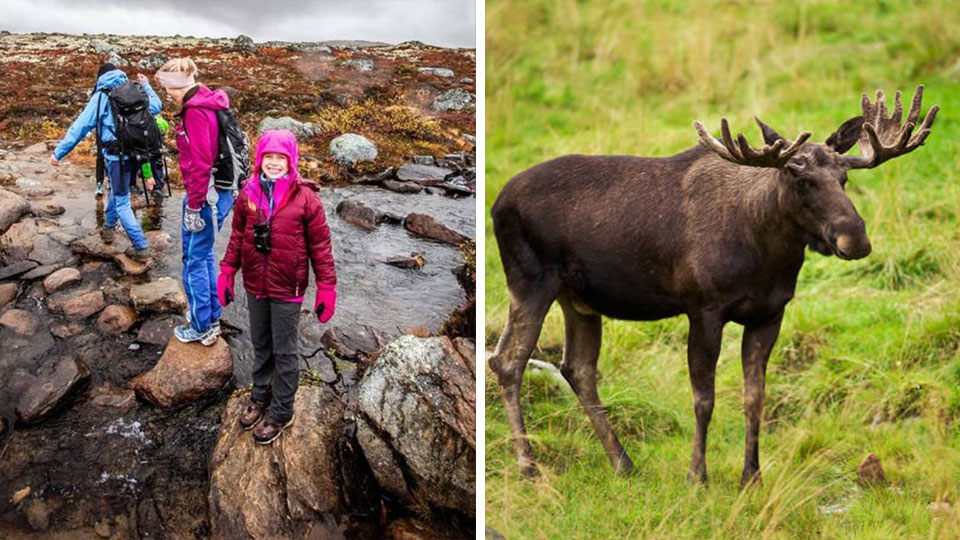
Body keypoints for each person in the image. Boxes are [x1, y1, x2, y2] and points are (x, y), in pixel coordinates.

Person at [217, 129, 337, 444]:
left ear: (291, 161)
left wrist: (326, 287)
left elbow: (321, 248)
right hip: (255, 284)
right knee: (260, 342)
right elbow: (237, 237)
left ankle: (282, 411)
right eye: (268, 157)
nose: (273, 163)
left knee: (285, 350)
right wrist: (228, 271)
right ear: (260, 160)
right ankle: (260, 394)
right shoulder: (248, 194)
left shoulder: (306, 198)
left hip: (288, 287)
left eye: (280, 158)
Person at [154, 58, 235, 345]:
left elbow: (201, 162)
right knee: (203, 256)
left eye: (167, 88)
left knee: (193, 260)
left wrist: (194, 205)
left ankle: (202, 326)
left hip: (206, 197)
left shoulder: (196, 111)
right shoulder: (209, 100)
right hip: (219, 193)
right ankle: (210, 316)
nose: (166, 94)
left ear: (177, 86)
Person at [51, 62, 159, 261]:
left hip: (115, 157)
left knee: (122, 202)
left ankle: (141, 246)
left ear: (100, 78)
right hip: (136, 154)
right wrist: (148, 86)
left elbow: (80, 127)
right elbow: (156, 107)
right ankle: (108, 229)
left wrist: (58, 153)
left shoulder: (101, 96)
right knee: (117, 193)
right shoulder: (135, 89)